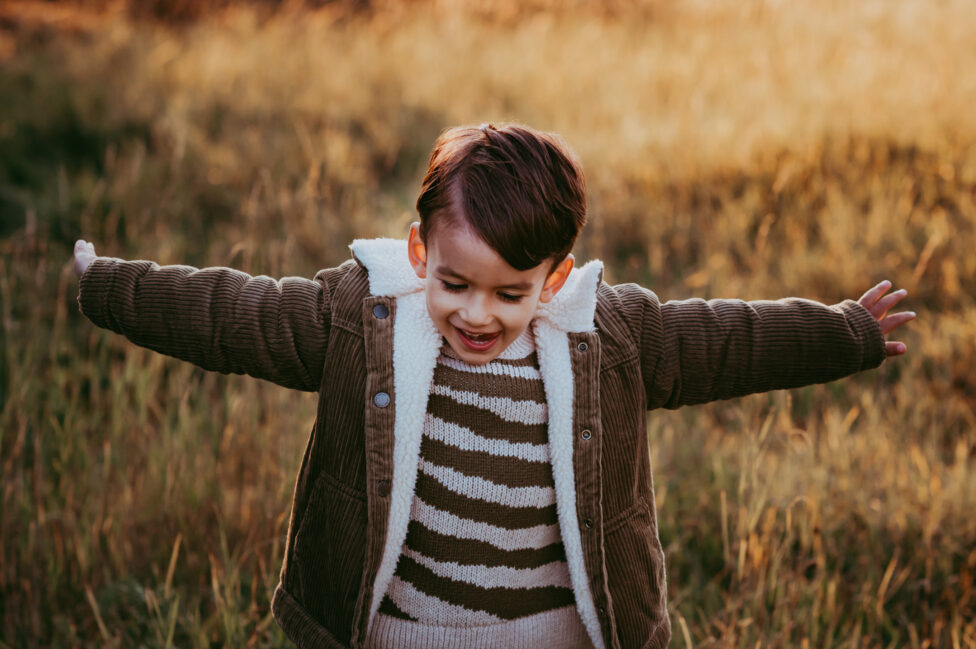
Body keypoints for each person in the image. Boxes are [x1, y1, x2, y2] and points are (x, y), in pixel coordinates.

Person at [73, 123, 915, 649]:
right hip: (402, 630)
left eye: (512, 292)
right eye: (455, 283)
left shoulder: (607, 338)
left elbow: (727, 340)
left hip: (552, 633)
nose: (477, 314)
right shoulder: (362, 321)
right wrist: (105, 285)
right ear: (418, 255)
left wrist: (846, 330)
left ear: (556, 277)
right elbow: (233, 313)